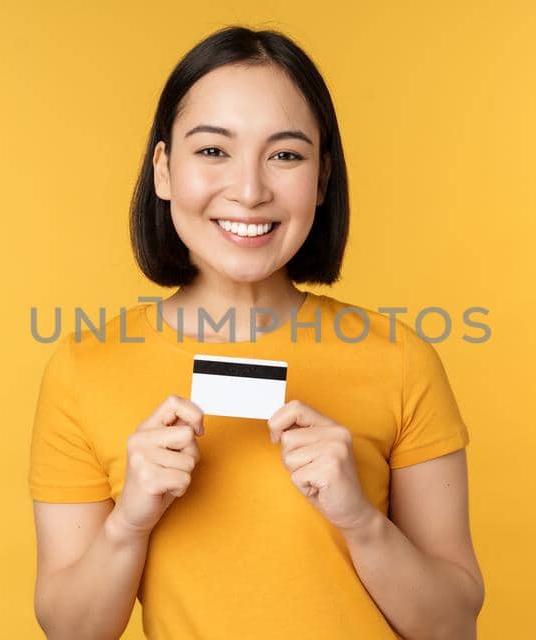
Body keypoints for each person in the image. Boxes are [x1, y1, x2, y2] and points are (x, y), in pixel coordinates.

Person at [29, 26, 483, 639]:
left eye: (286, 155)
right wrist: (128, 524)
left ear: (321, 180)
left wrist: (359, 520)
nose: (249, 191)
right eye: (213, 151)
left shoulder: (400, 360)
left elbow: (452, 627)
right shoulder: (85, 370)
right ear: (164, 170)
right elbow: (71, 632)